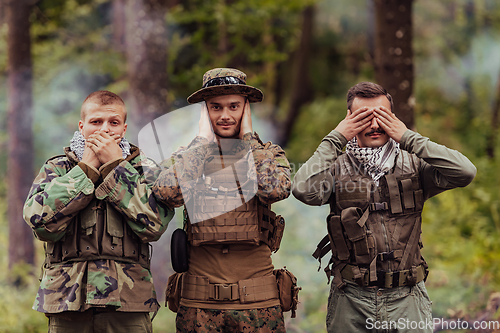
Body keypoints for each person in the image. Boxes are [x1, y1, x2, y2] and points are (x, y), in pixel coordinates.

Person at [292, 82, 476, 333]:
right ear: (349, 121)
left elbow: (465, 172)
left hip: (407, 298)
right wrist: (336, 137)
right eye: (364, 117)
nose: (375, 125)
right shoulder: (335, 168)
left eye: (382, 116)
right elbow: (302, 189)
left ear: (394, 118)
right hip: (351, 300)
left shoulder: (415, 166)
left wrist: (408, 136)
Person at [153, 68, 296, 332]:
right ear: (204, 112)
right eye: (215, 107)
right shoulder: (188, 157)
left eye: (234, 106)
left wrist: (249, 139)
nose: (226, 115)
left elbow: (275, 190)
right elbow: (167, 193)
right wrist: (200, 143)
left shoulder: (266, 154)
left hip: (258, 304)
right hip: (198, 305)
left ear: (247, 109)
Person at [23, 90, 174, 333]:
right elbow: (38, 221)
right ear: (82, 127)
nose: (105, 130)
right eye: (96, 122)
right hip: (67, 302)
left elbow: (155, 224)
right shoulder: (58, 167)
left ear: (124, 129)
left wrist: (116, 168)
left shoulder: (145, 168)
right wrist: (85, 171)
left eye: (113, 123)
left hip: (128, 304)